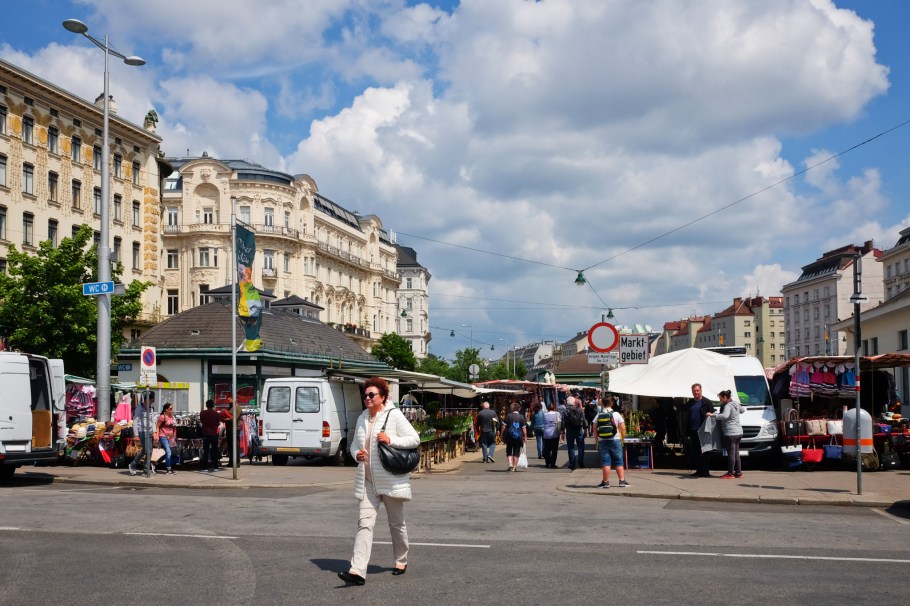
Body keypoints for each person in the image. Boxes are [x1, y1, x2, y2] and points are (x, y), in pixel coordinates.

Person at [338, 377, 420, 586]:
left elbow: (414, 439)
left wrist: (391, 439)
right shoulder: (362, 418)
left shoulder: (394, 415)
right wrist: (357, 455)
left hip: (391, 480)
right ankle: (357, 571)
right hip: (367, 481)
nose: (367, 398)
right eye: (365, 395)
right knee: (364, 524)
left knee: (396, 524)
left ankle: (401, 560)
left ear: (382, 397)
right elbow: (354, 446)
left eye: (371, 394)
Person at [594, 398, 630, 488]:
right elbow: (623, 427)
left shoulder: (599, 414)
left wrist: (596, 440)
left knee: (606, 462)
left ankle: (605, 482)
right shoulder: (616, 414)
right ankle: (622, 481)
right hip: (615, 439)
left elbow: (594, 428)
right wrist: (623, 438)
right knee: (618, 461)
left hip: (602, 440)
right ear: (612, 403)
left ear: (603, 404)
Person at [708, 390, 744, 479]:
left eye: (720, 398)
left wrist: (713, 415)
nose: (720, 400)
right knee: (736, 453)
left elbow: (724, 416)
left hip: (730, 433)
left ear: (725, 397)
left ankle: (730, 473)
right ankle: (738, 473)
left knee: (731, 454)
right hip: (739, 432)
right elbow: (742, 410)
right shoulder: (735, 403)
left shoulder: (727, 406)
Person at [683, 383, 715, 477]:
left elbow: (713, 415)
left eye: (697, 390)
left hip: (704, 430)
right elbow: (683, 409)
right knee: (695, 451)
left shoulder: (706, 402)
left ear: (701, 390)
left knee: (705, 451)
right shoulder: (690, 402)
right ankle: (699, 470)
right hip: (693, 430)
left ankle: (705, 471)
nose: (695, 392)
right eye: (694, 391)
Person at [129, 392, 156, 476]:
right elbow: (135, 422)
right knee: (147, 450)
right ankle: (138, 467)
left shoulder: (151, 408)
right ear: (147, 400)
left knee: (149, 451)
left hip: (150, 431)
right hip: (142, 431)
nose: (151, 403)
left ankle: (143, 468)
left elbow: (153, 421)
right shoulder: (139, 408)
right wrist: (136, 434)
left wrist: (154, 432)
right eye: (151, 401)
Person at [500, 401, 527, 472]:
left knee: (509, 450)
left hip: (509, 436)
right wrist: (525, 437)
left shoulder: (508, 416)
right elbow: (524, 428)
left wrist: (502, 434)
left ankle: (510, 464)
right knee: (516, 451)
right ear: (519, 409)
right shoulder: (521, 417)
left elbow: (503, 426)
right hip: (518, 436)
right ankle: (514, 467)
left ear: (512, 409)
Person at [562, 396, 588, 470]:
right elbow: (584, 420)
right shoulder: (580, 410)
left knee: (571, 447)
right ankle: (580, 461)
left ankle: (572, 463)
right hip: (579, 429)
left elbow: (563, 422)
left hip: (569, 430)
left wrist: (562, 432)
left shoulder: (565, 411)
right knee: (581, 446)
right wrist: (585, 430)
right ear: (574, 402)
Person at [156, 401, 177, 474]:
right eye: (171, 408)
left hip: (170, 437)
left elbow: (174, 428)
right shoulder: (162, 417)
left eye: (172, 408)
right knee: (168, 452)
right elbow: (158, 426)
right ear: (166, 409)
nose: (172, 410)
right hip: (163, 436)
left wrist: (174, 437)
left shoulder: (172, 417)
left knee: (168, 453)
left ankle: (156, 463)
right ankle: (168, 468)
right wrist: (157, 436)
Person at [200, 399, 221, 472]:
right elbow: (218, 423)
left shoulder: (202, 413)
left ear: (206, 405)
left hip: (205, 433)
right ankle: (216, 467)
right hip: (214, 433)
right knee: (215, 450)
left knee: (206, 451)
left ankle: (205, 467)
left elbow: (202, 421)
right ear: (213, 405)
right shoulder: (216, 414)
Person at [541, 402, 562, 469]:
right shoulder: (557, 414)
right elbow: (560, 422)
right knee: (554, 450)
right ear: (554, 408)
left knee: (547, 449)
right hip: (555, 434)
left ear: (547, 408)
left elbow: (543, 422)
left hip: (546, 434)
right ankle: (552, 464)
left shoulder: (544, 415)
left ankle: (547, 463)